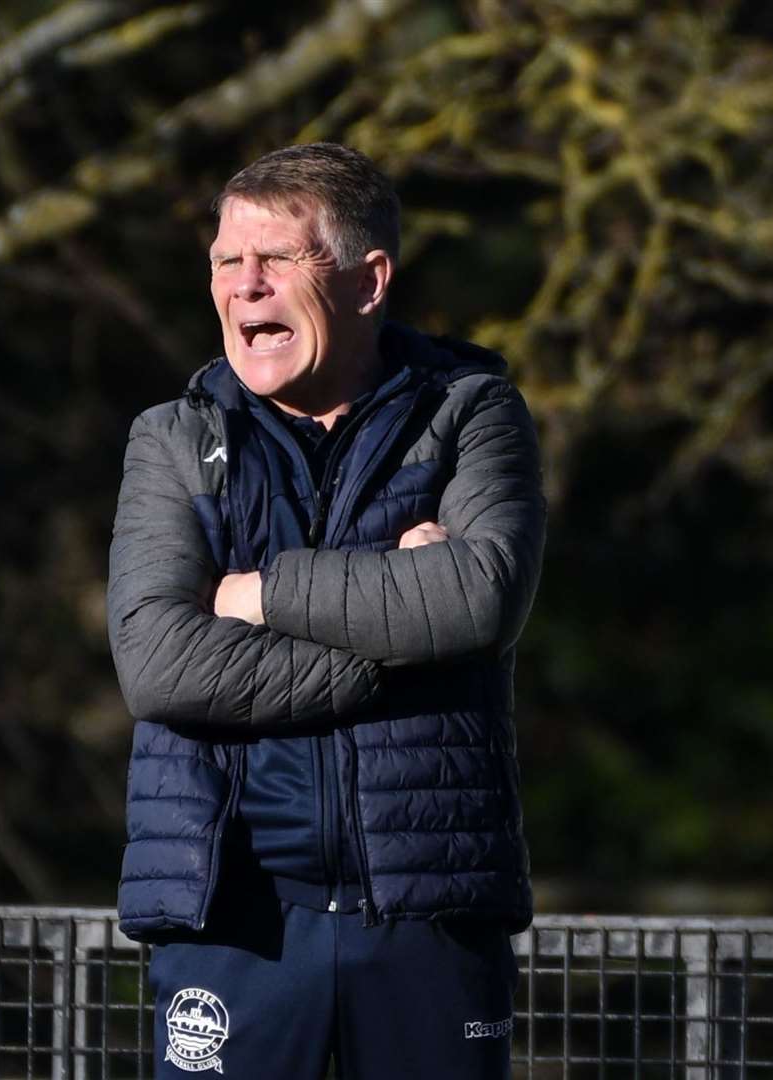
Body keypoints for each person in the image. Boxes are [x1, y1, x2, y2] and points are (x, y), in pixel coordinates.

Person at [107, 143, 544, 1079]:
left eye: (278, 259)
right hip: (232, 919)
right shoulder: (173, 439)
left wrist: (256, 595)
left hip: (430, 914)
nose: (245, 285)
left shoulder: (472, 412)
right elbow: (157, 665)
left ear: (368, 280)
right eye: (228, 260)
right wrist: (407, 630)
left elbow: (479, 599)